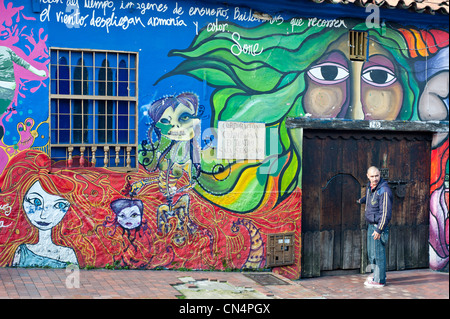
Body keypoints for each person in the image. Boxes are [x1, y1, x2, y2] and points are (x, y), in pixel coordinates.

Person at [357, 166, 393, 288]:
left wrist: (379, 229)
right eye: (372, 176)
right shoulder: (370, 186)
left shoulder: (384, 190)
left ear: (379, 175)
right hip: (371, 226)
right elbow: (370, 198)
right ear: (367, 176)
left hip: (378, 227)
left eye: (377, 176)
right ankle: (378, 274)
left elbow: (385, 213)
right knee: (372, 253)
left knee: (378, 254)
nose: (374, 178)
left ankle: (379, 280)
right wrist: (362, 200)